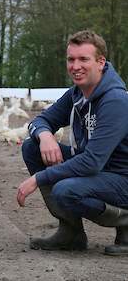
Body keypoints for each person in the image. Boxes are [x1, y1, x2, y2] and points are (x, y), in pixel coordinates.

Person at [17, 30, 128, 256]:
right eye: (71, 59)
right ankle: (71, 232)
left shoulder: (115, 100)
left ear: (100, 62)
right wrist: (45, 135)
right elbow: (40, 120)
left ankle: (126, 225)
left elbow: (91, 162)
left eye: (83, 59)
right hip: (100, 171)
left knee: (65, 191)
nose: (75, 66)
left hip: (122, 178)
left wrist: (39, 178)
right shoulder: (77, 93)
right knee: (32, 147)